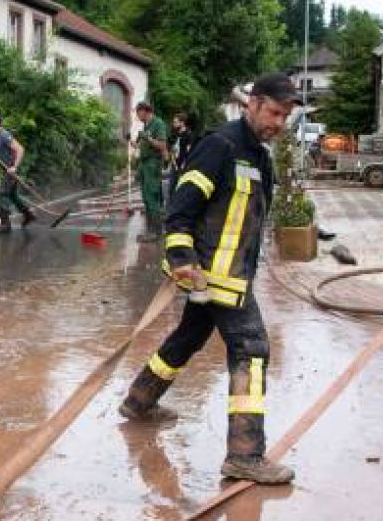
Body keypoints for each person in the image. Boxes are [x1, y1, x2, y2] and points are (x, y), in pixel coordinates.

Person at [117, 74, 302, 485]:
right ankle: (244, 454)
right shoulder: (220, 146)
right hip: (212, 278)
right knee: (252, 349)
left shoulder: (259, 157)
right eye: (274, 112)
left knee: (188, 337)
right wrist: (181, 258)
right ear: (252, 104)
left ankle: (140, 400)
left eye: (286, 117)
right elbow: (181, 207)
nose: (279, 123)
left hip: (231, 278)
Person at [0, 116, 35, 234]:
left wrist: (14, 167)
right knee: (12, 196)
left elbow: (20, 149)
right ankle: (28, 215)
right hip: (6, 171)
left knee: (2, 194)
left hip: (12, 171)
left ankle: (5, 224)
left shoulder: (4, 135)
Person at [134, 101, 169, 242]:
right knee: (146, 199)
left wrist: (147, 138)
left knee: (152, 198)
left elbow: (162, 145)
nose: (137, 115)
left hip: (153, 164)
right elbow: (143, 146)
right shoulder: (146, 125)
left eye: (138, 112)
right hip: (144, 165)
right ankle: (150, 231)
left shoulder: (158, 123)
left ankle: (156, 233)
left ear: (145, 111)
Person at [168, 111, 197, 180]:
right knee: (172, 188)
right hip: (174, 165)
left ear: (182, 123)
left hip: (184, 167)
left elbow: (189, 152)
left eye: (175, 122)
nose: (173, 124)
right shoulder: (174, 135)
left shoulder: (188, 135)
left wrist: (184, 165)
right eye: (173, 122)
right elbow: (171, 148)